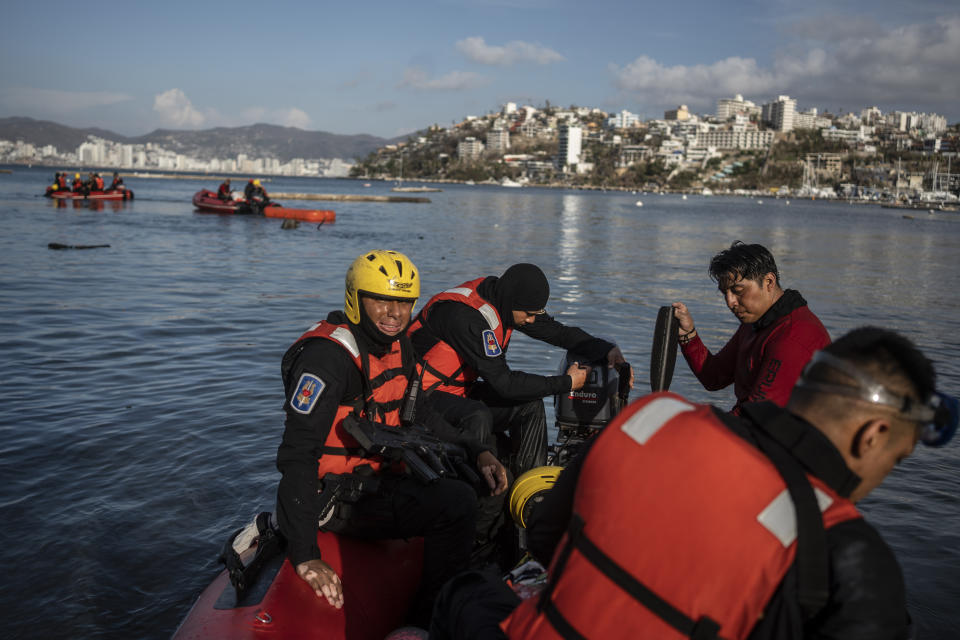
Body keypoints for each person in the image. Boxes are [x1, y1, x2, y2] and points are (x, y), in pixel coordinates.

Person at [433, 327, 956, 640]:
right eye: (897, 459)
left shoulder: (651, 418)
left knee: (466, 590)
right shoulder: (849, 553)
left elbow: (547, 538)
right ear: (875, 434)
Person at [275, 249, 506, 627]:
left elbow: (421, 412)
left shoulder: (400, 344)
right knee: (457, 502)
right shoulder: (327, 359)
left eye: (403, 302)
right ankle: (429, 619)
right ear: (356, 298)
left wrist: (477, 448)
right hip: (332, 497)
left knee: (470, 475)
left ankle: (453, 577)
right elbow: (297, 455)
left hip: (376, 477)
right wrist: (305, 555)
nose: (394, 313)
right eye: (381, 300)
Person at [408, 263, 633, 478]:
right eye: (528, 314)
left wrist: (606, 350)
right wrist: (566, 383)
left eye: (535, 313)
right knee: (477, 414)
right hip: (421, 397)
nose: (532, 320)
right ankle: (479, 497)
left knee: (530, 405)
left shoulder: (508, 302)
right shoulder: (466, 318)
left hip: (458, 391)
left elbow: (558, 333)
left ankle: (530, 488)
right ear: (511, 301)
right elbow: (505, 384)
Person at [672, 241, 829, 415]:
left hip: (785, 436)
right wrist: (688, 334)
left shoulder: (794, 335)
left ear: (769, 281)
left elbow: (756, 417)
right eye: (725, 293)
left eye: (738, 290)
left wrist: (693, 426)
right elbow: (714, 377)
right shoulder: (755, 323)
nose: (730, 302)